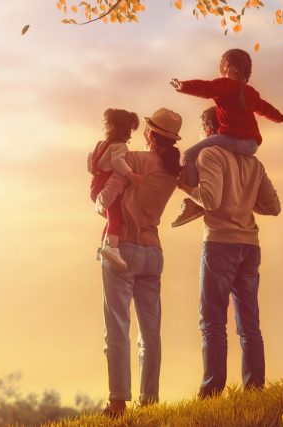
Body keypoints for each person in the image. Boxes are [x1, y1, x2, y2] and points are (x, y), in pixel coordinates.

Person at [178, 116, 281, 398]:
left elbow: (210, 200)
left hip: (220, 243)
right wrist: (244, 203)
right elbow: (273, 207)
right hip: (250, 246)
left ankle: (211, 392)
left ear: (209, 131)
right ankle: (255, 391)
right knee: (249, 323)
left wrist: (185, 188)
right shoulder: (254, 164)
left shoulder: (210, 153)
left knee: (212, 322)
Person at [93, 108, 184, 418]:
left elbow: (107, 196)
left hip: (122, 250)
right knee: (151, 331)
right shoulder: (173, 172)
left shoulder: (135, 160)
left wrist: (98, 203)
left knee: (117, 327)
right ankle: (149, 400)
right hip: (153, 252)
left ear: (150, 135)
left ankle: (118, 403)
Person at [168, 48, 283, 227]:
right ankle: (195, 199)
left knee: (189, 154)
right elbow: (264, 108)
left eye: (220, 67)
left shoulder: (227, 86)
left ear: (227, 67)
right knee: (201, 151)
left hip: (233, 139)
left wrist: (184, 86)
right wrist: (282, 119)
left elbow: (206, 88)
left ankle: (193, 202)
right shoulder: (249, 93)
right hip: (251, 145)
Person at [87, 108, 146, 271]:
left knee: (109, 219)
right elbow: (119, 163)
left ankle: (102, 247)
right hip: (107, 186)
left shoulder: (100, 145)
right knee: (116, 218)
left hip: (95, 185)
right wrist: (132, 175)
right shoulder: (119, 146)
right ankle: (112, 248)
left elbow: (89, 163)